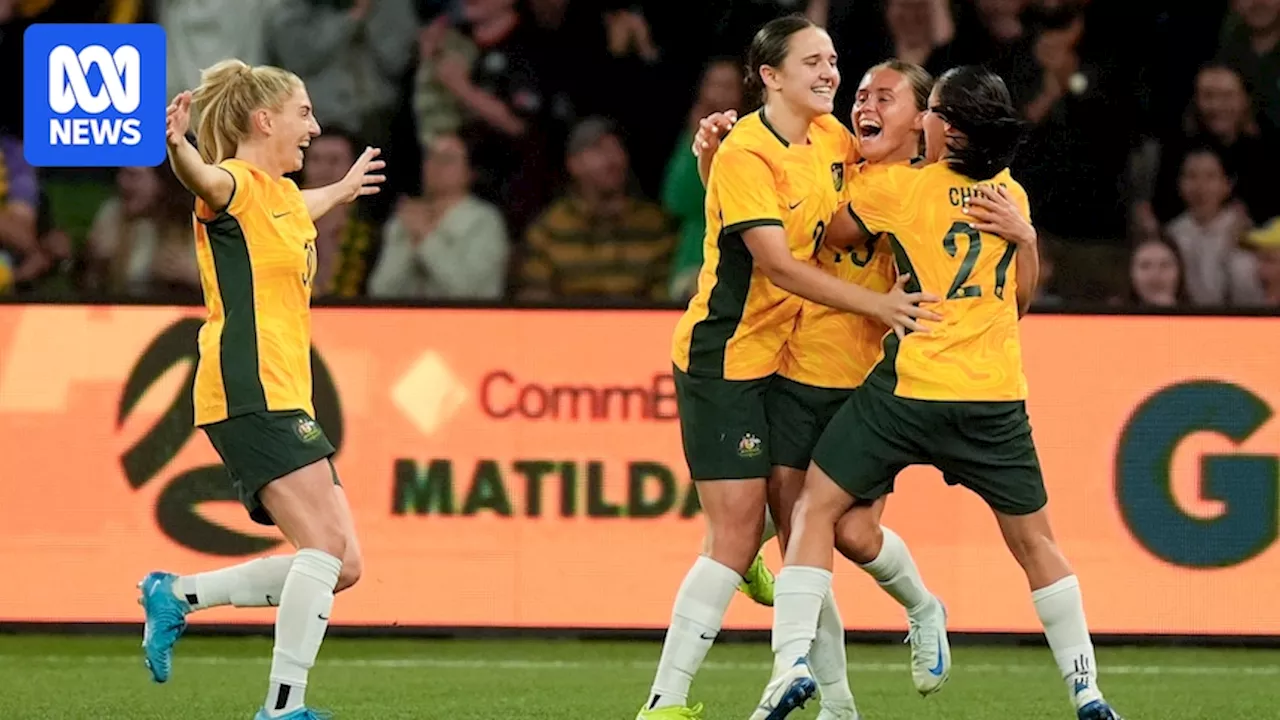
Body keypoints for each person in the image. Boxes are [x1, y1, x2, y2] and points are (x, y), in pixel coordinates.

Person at [754, 66, 1125, 720]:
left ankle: (791, 664)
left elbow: (832, 235)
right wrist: (1027, 239)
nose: (918, 118)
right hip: (993, 398)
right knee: (1036, 545)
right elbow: (1020, 302)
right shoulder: (1011, 196)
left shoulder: (901, 188)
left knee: (814, 508)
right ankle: (1086, 689)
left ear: (946, 127)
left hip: (912, 390)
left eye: (926, 109)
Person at [691, 59, 1038, 703]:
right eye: (860, 95)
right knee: (804, 529)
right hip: (801, 366)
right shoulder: (833, 155)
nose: (863, 107)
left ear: (923, 119)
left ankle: (923, 607)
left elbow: (1003, 293)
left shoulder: (938, 189)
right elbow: (755, 222)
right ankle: (829, 699)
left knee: (850, 533)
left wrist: (1023, 242)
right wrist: (716, 160)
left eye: (886, 97)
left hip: (876, 380)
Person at [641, 16, 941, 720]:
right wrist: (881, 304)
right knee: (742, 533)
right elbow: (778, 262)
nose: (831, 73)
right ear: (770, 75)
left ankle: (835, 702)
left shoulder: (834, 139)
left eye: (834, 59)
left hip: (788, 362)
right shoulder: (749, 147)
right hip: (727, 356)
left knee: (807, 529)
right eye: (813, 61)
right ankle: (665, 701)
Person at [136, 59, 385, 720]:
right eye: (304, 112)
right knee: (325, 552)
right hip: (250, 388)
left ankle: (177, 594)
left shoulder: (279, 197)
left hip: (281, 392)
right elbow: (206, 180)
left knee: (344, 563)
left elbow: (300, 207)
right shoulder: (236, 186)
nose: (316, 126)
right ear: (263, 119)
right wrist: (178, 146)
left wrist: (344, 187)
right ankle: (283, 707)